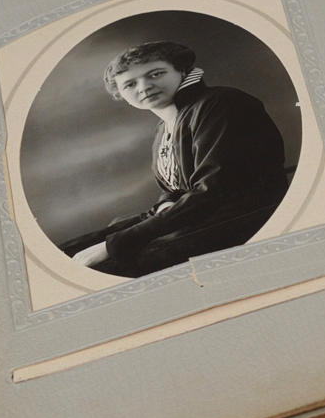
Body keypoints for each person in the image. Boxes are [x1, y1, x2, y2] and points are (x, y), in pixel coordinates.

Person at [69, 41, 290, 277]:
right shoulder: (163, 127)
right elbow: (174, 187)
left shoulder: (221, 104)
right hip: (197, 216)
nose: (144, 87)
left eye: (156, 74)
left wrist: (115, 244)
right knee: (72, 249)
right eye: (130, 84)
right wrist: (165, 203)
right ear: (120, 94)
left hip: (243, 217)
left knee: (103, 267)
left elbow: (215, 190)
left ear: (182, 70)